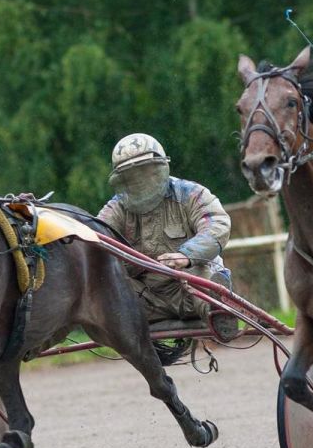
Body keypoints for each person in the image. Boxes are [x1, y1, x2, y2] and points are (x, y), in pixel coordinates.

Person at [97, 133, 237, 338]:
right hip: (149, 299)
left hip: (191, 287)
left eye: (146, 172)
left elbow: (217, 224)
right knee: (111, 284)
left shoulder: (192, 194)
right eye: (131, 177)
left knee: (201, 268)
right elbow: (95, 235)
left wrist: (186, 256)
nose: (140, 182)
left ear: (161, 169)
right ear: (122, 180)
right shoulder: (116, 208)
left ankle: (218, 311)